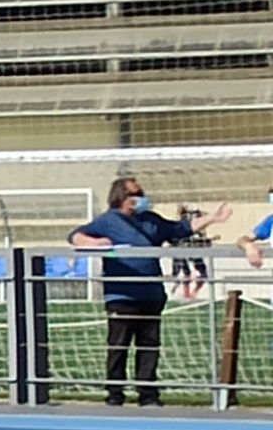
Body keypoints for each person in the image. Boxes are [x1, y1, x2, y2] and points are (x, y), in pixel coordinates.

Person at [72, 172, 200, 404]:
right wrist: (95, 243)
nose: (142, 197)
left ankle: (148, 394)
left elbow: (179, 229)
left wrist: (213, 219)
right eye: (137, 193)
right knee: (118, 346)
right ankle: (115, 393)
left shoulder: (150, 220)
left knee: (149, 346)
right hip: (122, 295)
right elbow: (76, 236)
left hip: (151, 294)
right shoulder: (108, 221)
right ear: (123, 197)